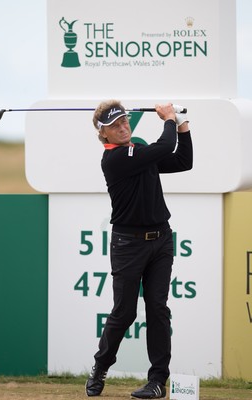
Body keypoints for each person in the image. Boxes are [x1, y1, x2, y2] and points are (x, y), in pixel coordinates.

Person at [86, 100, 193, 399]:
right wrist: (169, 119)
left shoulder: (138, 153)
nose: (123, 127)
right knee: (124, 312)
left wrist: (183, 125)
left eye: (124, 122)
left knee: (158, 309)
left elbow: (183, 160)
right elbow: (163, 146)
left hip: (160, 240)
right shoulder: (116, 158)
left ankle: (157, 381)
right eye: (115, 125)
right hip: (128, 244)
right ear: (104, 134)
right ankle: (100, 367)